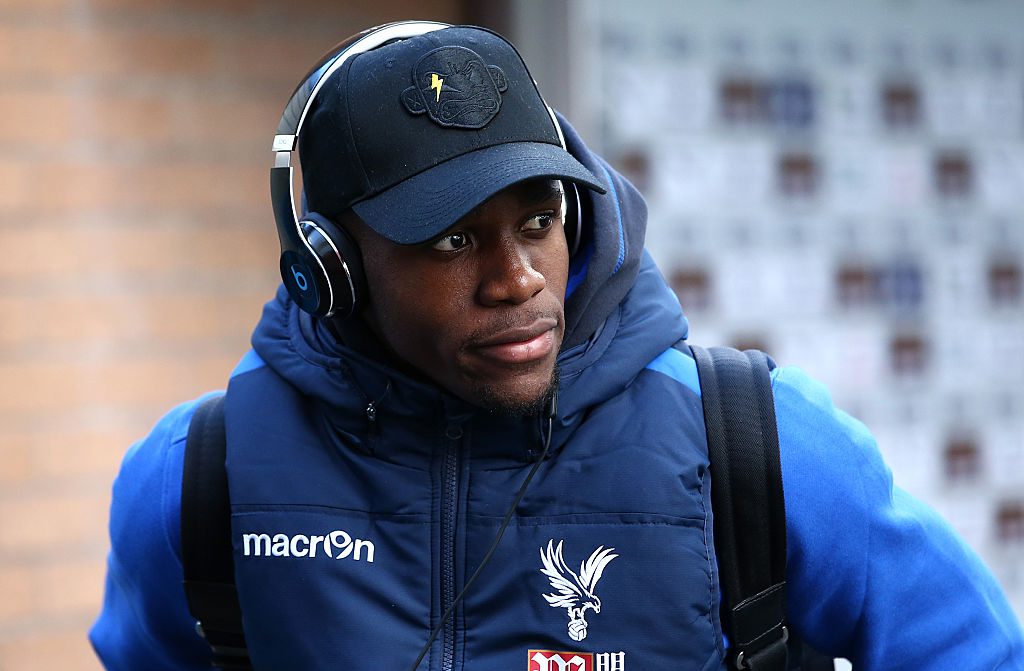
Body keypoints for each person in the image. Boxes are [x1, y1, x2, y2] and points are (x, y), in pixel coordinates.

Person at [89, 21, 1023, 671]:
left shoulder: (757, 443)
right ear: (332, 265)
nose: (517, 278)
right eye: (451, 240)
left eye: (537, 220)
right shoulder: (200, 478)